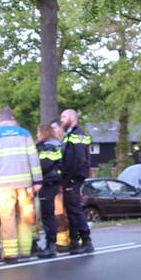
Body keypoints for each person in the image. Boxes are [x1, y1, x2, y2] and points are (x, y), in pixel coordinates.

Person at [0, 107, 43, 264]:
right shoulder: (25, 134)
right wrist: (37, 180)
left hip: (3, 186)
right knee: (25, 218)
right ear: (12, 118)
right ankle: (25, 250)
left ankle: (10, 254)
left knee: (7, 218)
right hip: (25, 185)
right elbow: (33, 158)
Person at [60, 108, 94, 254]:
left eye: (64, 116)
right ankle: (74, 241)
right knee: (71, 209)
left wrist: (70, 177)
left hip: (74, 177)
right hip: (69, 178)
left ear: (73, 118)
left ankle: (86, 241)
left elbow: (79, 159)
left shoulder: (78, 134)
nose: (61, 119)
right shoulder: (69, 134)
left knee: (75, 209)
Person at [36, 123, 63, 259]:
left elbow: (44, 164)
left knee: (48, 215)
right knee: (48, 214)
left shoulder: (49, 146)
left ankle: (51, 246)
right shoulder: (55, 144)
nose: (36, 135)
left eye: (38, 132)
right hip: (52, 181)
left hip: (48, 182)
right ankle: (51, 244)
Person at [49, 120, 72, 252]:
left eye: (55, 128)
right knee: (59, 213)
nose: (53, 132)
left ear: (61, 129)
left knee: (66, 212)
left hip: (65, 182)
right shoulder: (55, 145)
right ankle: (63, 240)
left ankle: (71, 239)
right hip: (58, 184)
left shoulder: (65, 144)